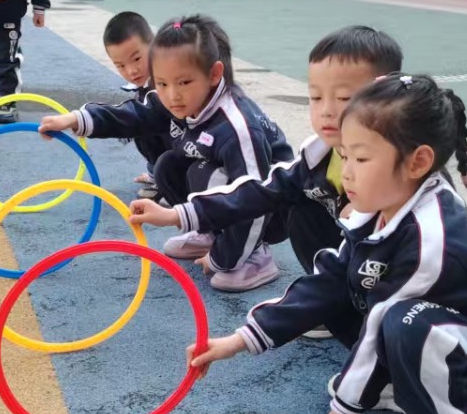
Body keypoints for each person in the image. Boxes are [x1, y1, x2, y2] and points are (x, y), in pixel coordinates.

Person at [189, 74, 467, 414]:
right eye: (343, 156)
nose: (347, 174)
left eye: (361, 159)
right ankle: (402, 387)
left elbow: (380, 321)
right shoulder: (381, 206)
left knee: (403, 319)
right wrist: (240, 339)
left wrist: (345, 409)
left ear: (417, 162)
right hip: (451, 335)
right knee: (349, 288)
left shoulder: (432, 236)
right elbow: (329, 280)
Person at [39, 15, 294, 293]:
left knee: (206, 174)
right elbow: (134, 114)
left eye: (184, 82)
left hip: (272, 210)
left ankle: (255, 255)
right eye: (162, 83)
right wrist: (75, 119)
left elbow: (255, 198)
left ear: (214, 74)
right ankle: (212, 233)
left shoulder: (237, 127)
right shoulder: (179, 100)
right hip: (233, 191)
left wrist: (222, 258)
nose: (172, 95)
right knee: (168, 166)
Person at [129, 25, 404, 278]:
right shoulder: (318, 154)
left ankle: (339, 292)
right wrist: (176, 214)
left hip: (400, 282)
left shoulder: (404, 165)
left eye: (344, 98)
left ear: (383, 91)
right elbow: (259, 192)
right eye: (316, 97)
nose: (327, 111)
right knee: (303, 210)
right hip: (356, 265)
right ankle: (332, 288)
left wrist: (370, 215)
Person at [102, 11, 168, 201]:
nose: (131, 71)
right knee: (141, 127)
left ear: (153, 45)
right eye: (120, 65)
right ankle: (157, 173)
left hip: (192, 153)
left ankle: (169, 182)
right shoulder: (145, 85)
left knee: (143, 123)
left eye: (137, 59)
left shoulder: (167, 81)